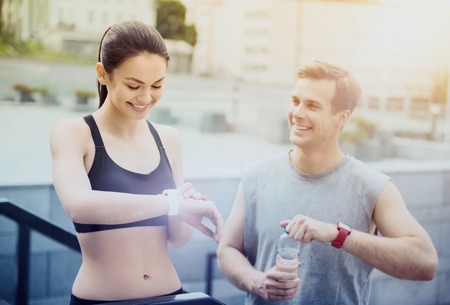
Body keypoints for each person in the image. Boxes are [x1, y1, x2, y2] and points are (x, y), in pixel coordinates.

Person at [216, 60, 438, 305]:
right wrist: (256, 282)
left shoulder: (374, 187)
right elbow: (228, 250)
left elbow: (425, 263)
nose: (297, 113)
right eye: (295, 101)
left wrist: (337, 234)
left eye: (312, 105)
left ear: (341, 118)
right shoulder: (255, 176)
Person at [49, 20, 223, 305]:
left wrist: (184, 210)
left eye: (157, 85)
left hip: (169, 296)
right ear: (102, 74)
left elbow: (177, 240)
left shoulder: (169, 138)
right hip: (101, 301)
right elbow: (79, 207)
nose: (146, 97)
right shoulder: (74, 132)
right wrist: (171, 203)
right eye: (133, 85)